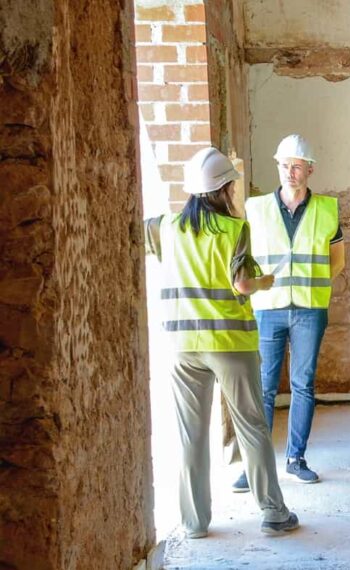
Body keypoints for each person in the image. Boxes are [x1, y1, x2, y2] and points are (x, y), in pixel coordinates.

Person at [144, 147, 298, 537]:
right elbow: (242, 283)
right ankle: (273, 512)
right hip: (229, 342)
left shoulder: (164, 227)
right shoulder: (233, 229)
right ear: (224, 188)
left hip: (182, 345)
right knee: (251, 426)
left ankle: (194, 522)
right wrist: (265, 282)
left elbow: (133, 235)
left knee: (190, 434)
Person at [232, 134, 345, 491]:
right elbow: (244, 258)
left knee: (303, 385)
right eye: (284, 165)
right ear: (277, 166)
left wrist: (310, 284)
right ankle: (256, 463)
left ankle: (296, 459)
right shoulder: (256, 207)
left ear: (310, 169)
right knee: (263, 388)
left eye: (297, 166)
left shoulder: (327, 208)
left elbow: (337, 262)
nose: (290, 172)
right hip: (268, 308)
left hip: (310, 309)